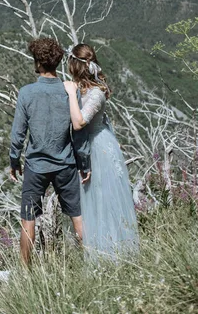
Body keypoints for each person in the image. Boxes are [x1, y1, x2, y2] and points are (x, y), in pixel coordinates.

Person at [10, 37, 91, 265]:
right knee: (78, 216)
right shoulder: (69, 90)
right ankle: (93, 264)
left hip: (36, 166)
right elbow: (79, 133)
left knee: (28, 220)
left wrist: (14, 161)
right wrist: (84, 163)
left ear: (37, 63)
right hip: (65, 164)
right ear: (57, 62)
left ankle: (25, 274)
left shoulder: (27, 93)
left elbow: (18, 134)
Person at [63, 43, 139, 259]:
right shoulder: (81, 88)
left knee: (104, 198)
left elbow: (79, 122)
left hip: (99, 149)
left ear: (75, 66)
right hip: (85, 149)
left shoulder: (96, 93)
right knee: (90, 202)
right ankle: (95, 251)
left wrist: (70, 93)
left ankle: (112, 254)